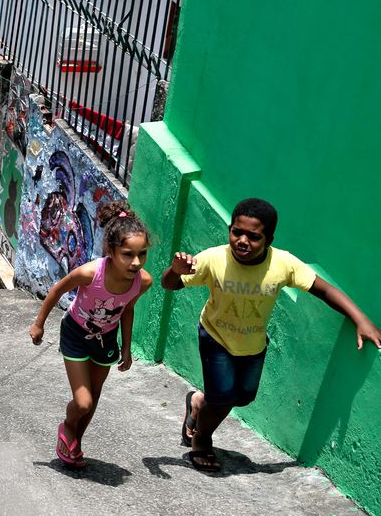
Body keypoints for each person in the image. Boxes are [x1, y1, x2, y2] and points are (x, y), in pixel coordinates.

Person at [161, 197, 381, 473]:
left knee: (242, 397)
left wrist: (360, 319)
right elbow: (169, 284)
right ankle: (202, 440)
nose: (242, 240)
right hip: (215, 336)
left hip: (253, 344)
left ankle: (197, 403)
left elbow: (323, 289)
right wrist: (174, 271)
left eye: (253, 236)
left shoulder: (283, 263)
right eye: (236, 232)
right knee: (224, 398)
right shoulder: (214, 258)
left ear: (269, 239)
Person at [29, 200, 154, 469]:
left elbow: (127, 310)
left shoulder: (143, 281)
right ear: (111, 250)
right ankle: (67, 427)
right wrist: (39, 323)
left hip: (106, 340)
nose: (136, 262)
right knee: (82, 402)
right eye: (128, 254)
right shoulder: (90, 273)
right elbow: (58, 289)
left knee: (94, 397)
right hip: (75, 333)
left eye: (142, 254)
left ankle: (75, 442)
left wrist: (127, 347)